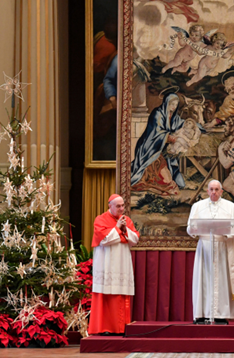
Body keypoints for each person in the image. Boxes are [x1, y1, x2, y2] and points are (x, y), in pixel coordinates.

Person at [187, 180, 234, 324]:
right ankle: (202, 314)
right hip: (205, 248)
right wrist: (194, 230)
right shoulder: (197, 206)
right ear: (207, 191)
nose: (214, 192)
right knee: (203, 280)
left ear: (221, 191)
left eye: (217, 189)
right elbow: (190, 227)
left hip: (223, 246)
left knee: (222, 280)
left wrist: (227, 233)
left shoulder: (231, 206)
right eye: (211, 189)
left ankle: (220, 314)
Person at [89, 194, 140, 335]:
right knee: (106, 295)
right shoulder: (100, 219)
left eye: (123, 206)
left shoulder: (126, 220)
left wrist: (124, 230)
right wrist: (117, 228)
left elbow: (135, 239)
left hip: (122, 263)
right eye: (118, 206)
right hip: (106, 263)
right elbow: (104, 240)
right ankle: (105, 328)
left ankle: (121, 327)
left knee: (120, 294)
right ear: (109, 206)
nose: (121, 209)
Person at [130, 93, 186, 195]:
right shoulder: (157, 113)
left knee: (169, 180)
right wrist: (168, 137)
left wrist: (196, 126)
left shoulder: (174, 116)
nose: (174, 107)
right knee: (166, 182)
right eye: (172, 104)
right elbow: (156, 132)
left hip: (161, 148)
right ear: (166, 103)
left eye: (176, 104)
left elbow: (183, 124)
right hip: (150, 148)